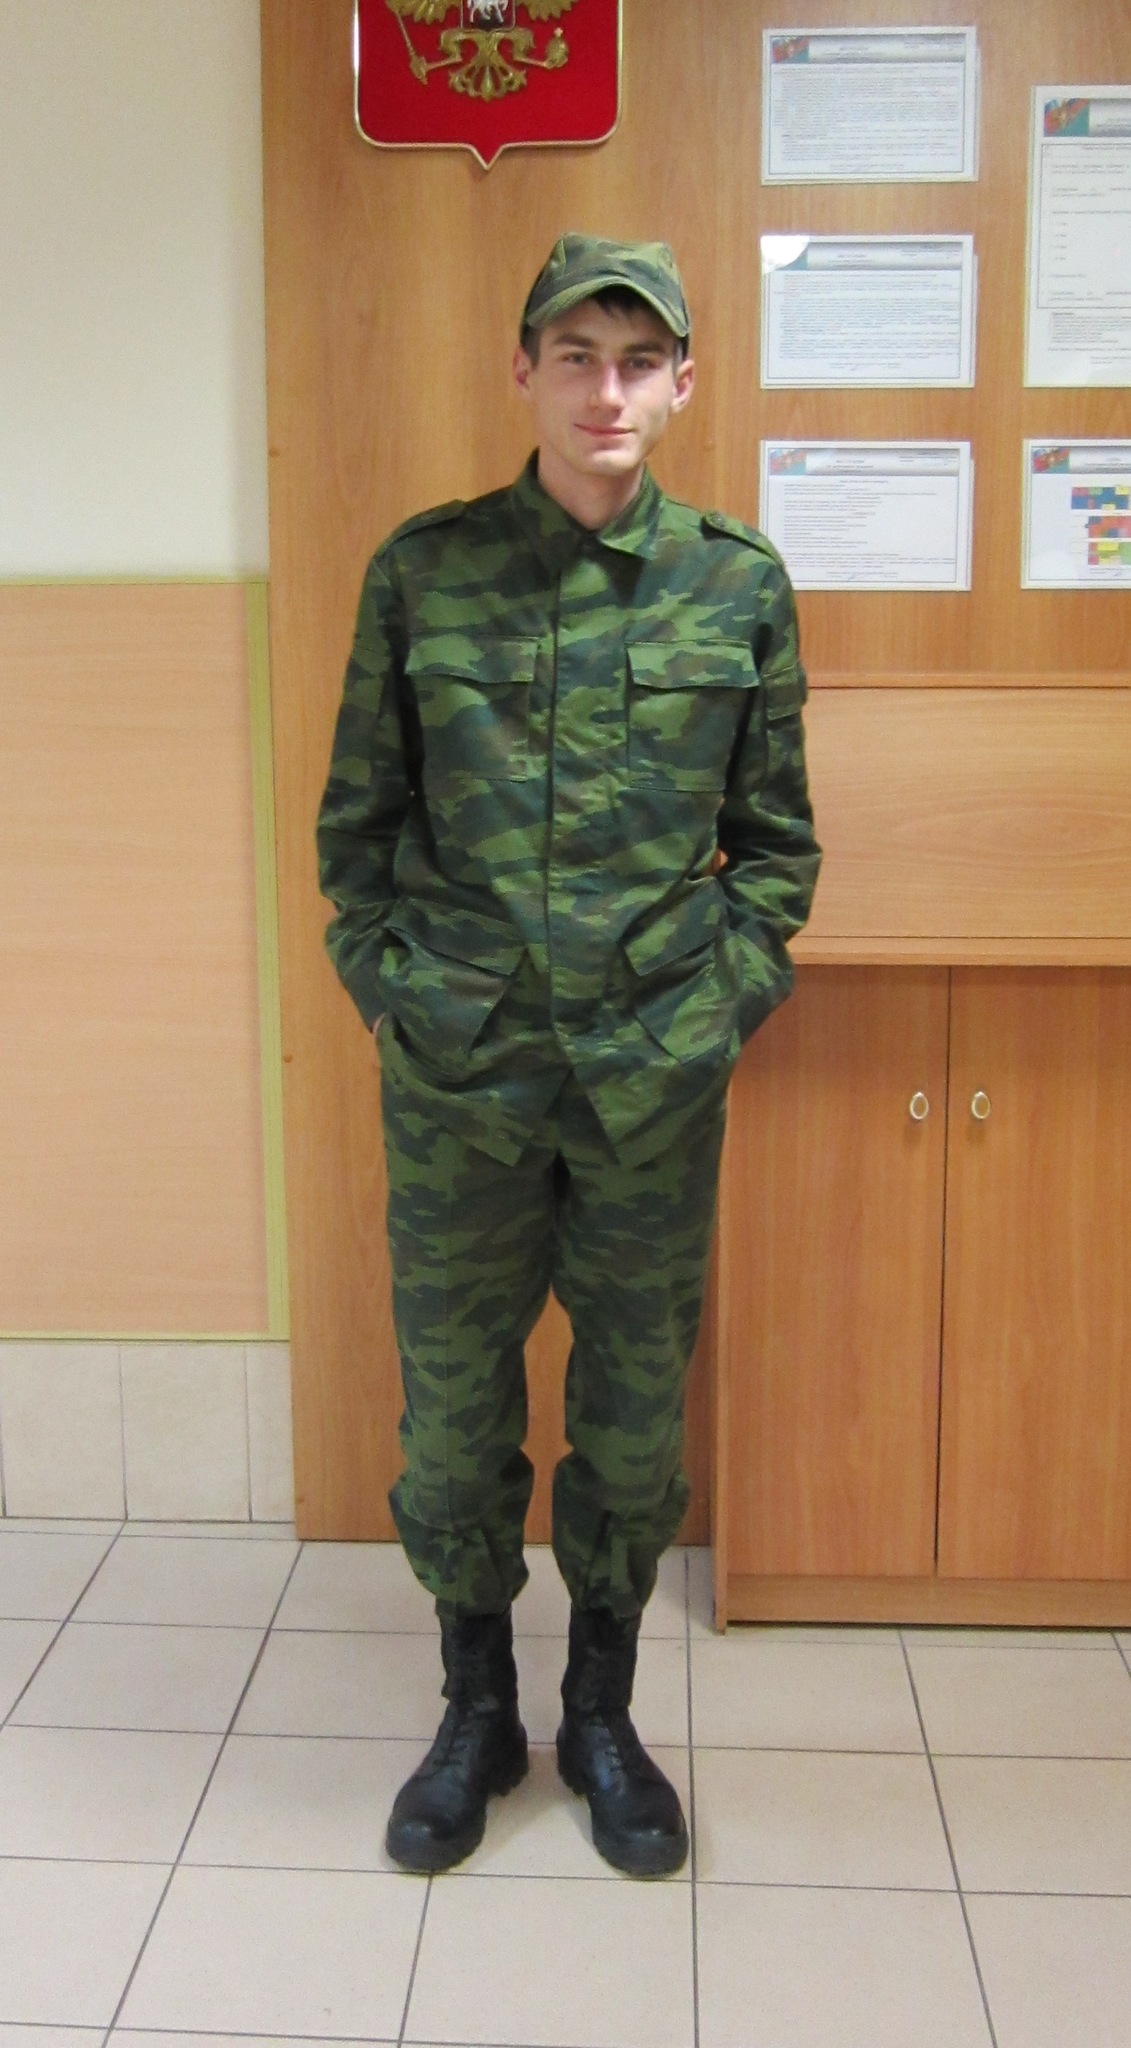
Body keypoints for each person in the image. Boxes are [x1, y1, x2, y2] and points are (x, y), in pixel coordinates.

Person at [316, 233, 821, 1879]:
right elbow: (356, 834)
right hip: (460, 1081)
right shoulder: (426, 573)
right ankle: (477, 1707)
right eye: (578, 356)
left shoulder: (737, 586)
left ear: (682, 384)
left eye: (639, 361)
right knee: (455, 1418)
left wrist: (711, 1010)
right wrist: (398, 998)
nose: (608, 390)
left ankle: (600, 1713)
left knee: (635, 1414)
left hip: (650, 1085)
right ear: (524, 371)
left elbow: (779, 851)